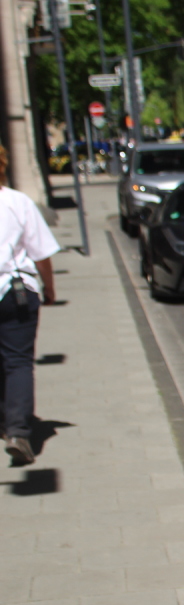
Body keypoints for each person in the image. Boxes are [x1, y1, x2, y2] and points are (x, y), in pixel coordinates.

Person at [0, 146, 59, 465]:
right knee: (18, 361)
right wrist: (50, 289)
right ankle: (19, 431)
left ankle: (5, 419)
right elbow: (41, 252)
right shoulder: (17, 202)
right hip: (15, 292)